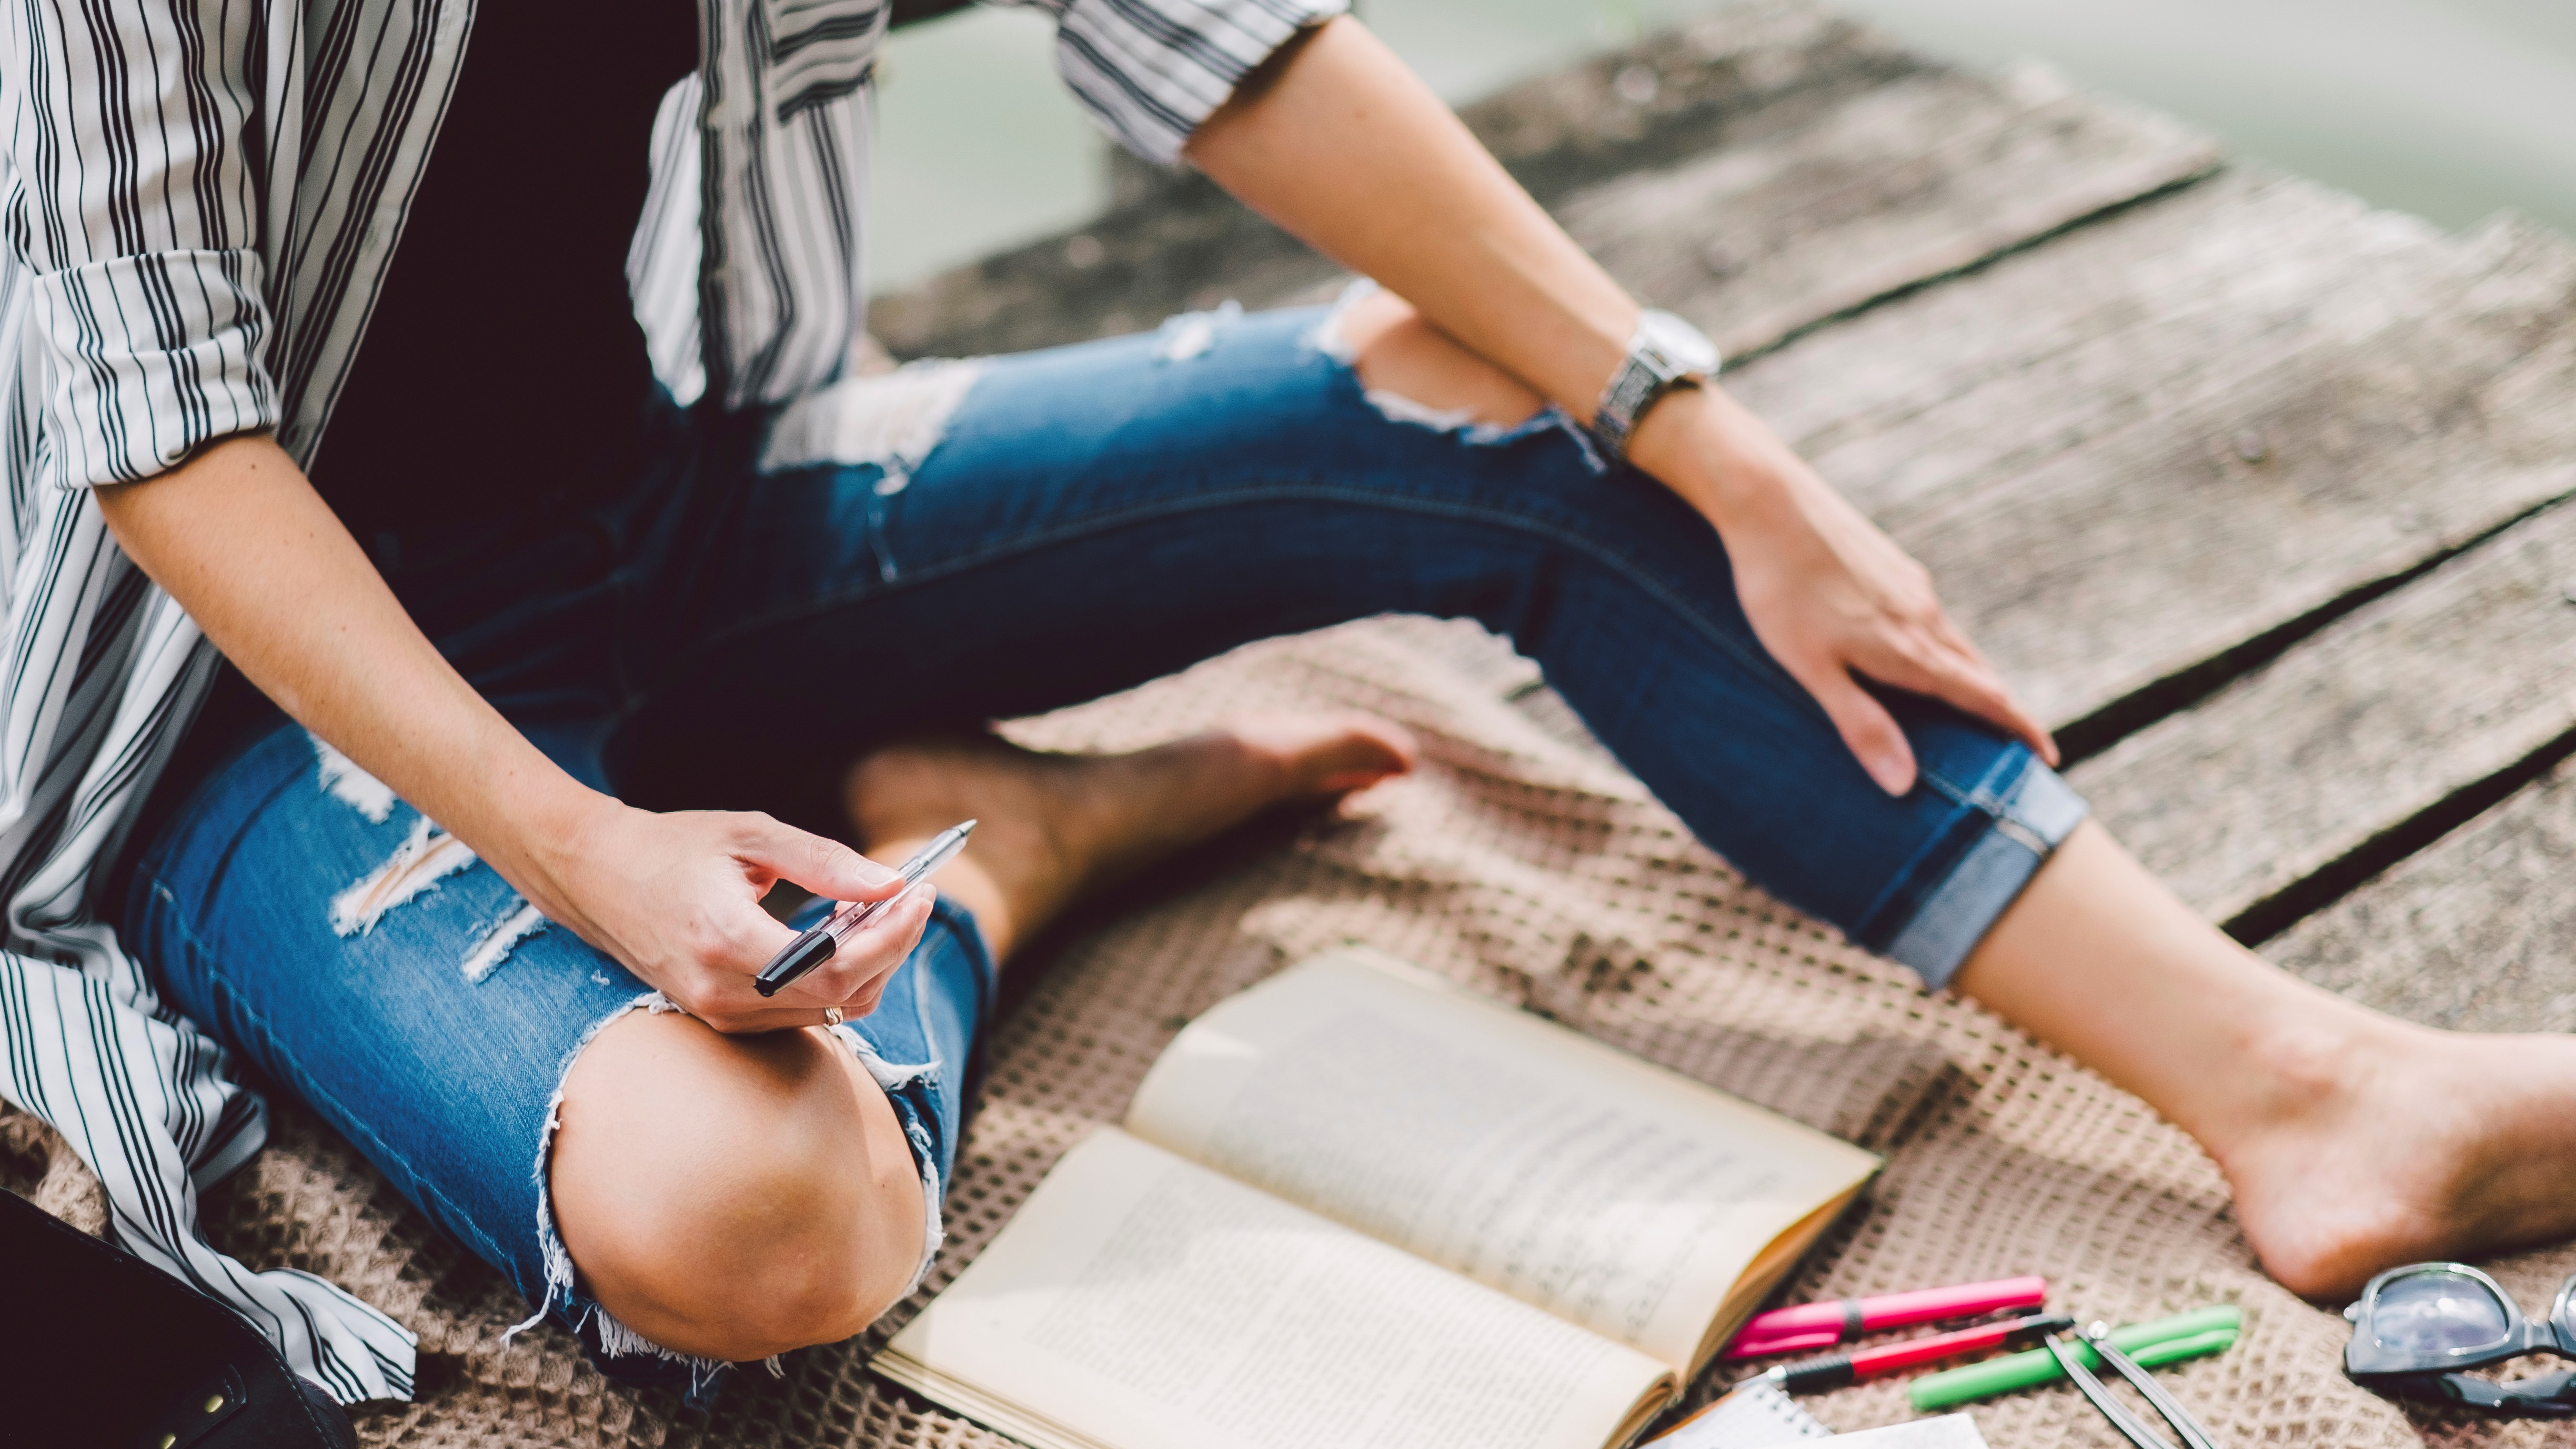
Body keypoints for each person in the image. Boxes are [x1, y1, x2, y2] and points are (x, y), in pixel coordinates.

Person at [4, 0, 2573, 1413]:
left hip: (698, 504)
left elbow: (1203, 30)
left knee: (1488, 383)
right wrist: (583, 847)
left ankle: (2303, 1084)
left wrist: (1703, 421)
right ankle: (997, 847)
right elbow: (159, 422)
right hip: (250, 701)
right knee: (758, 1223)